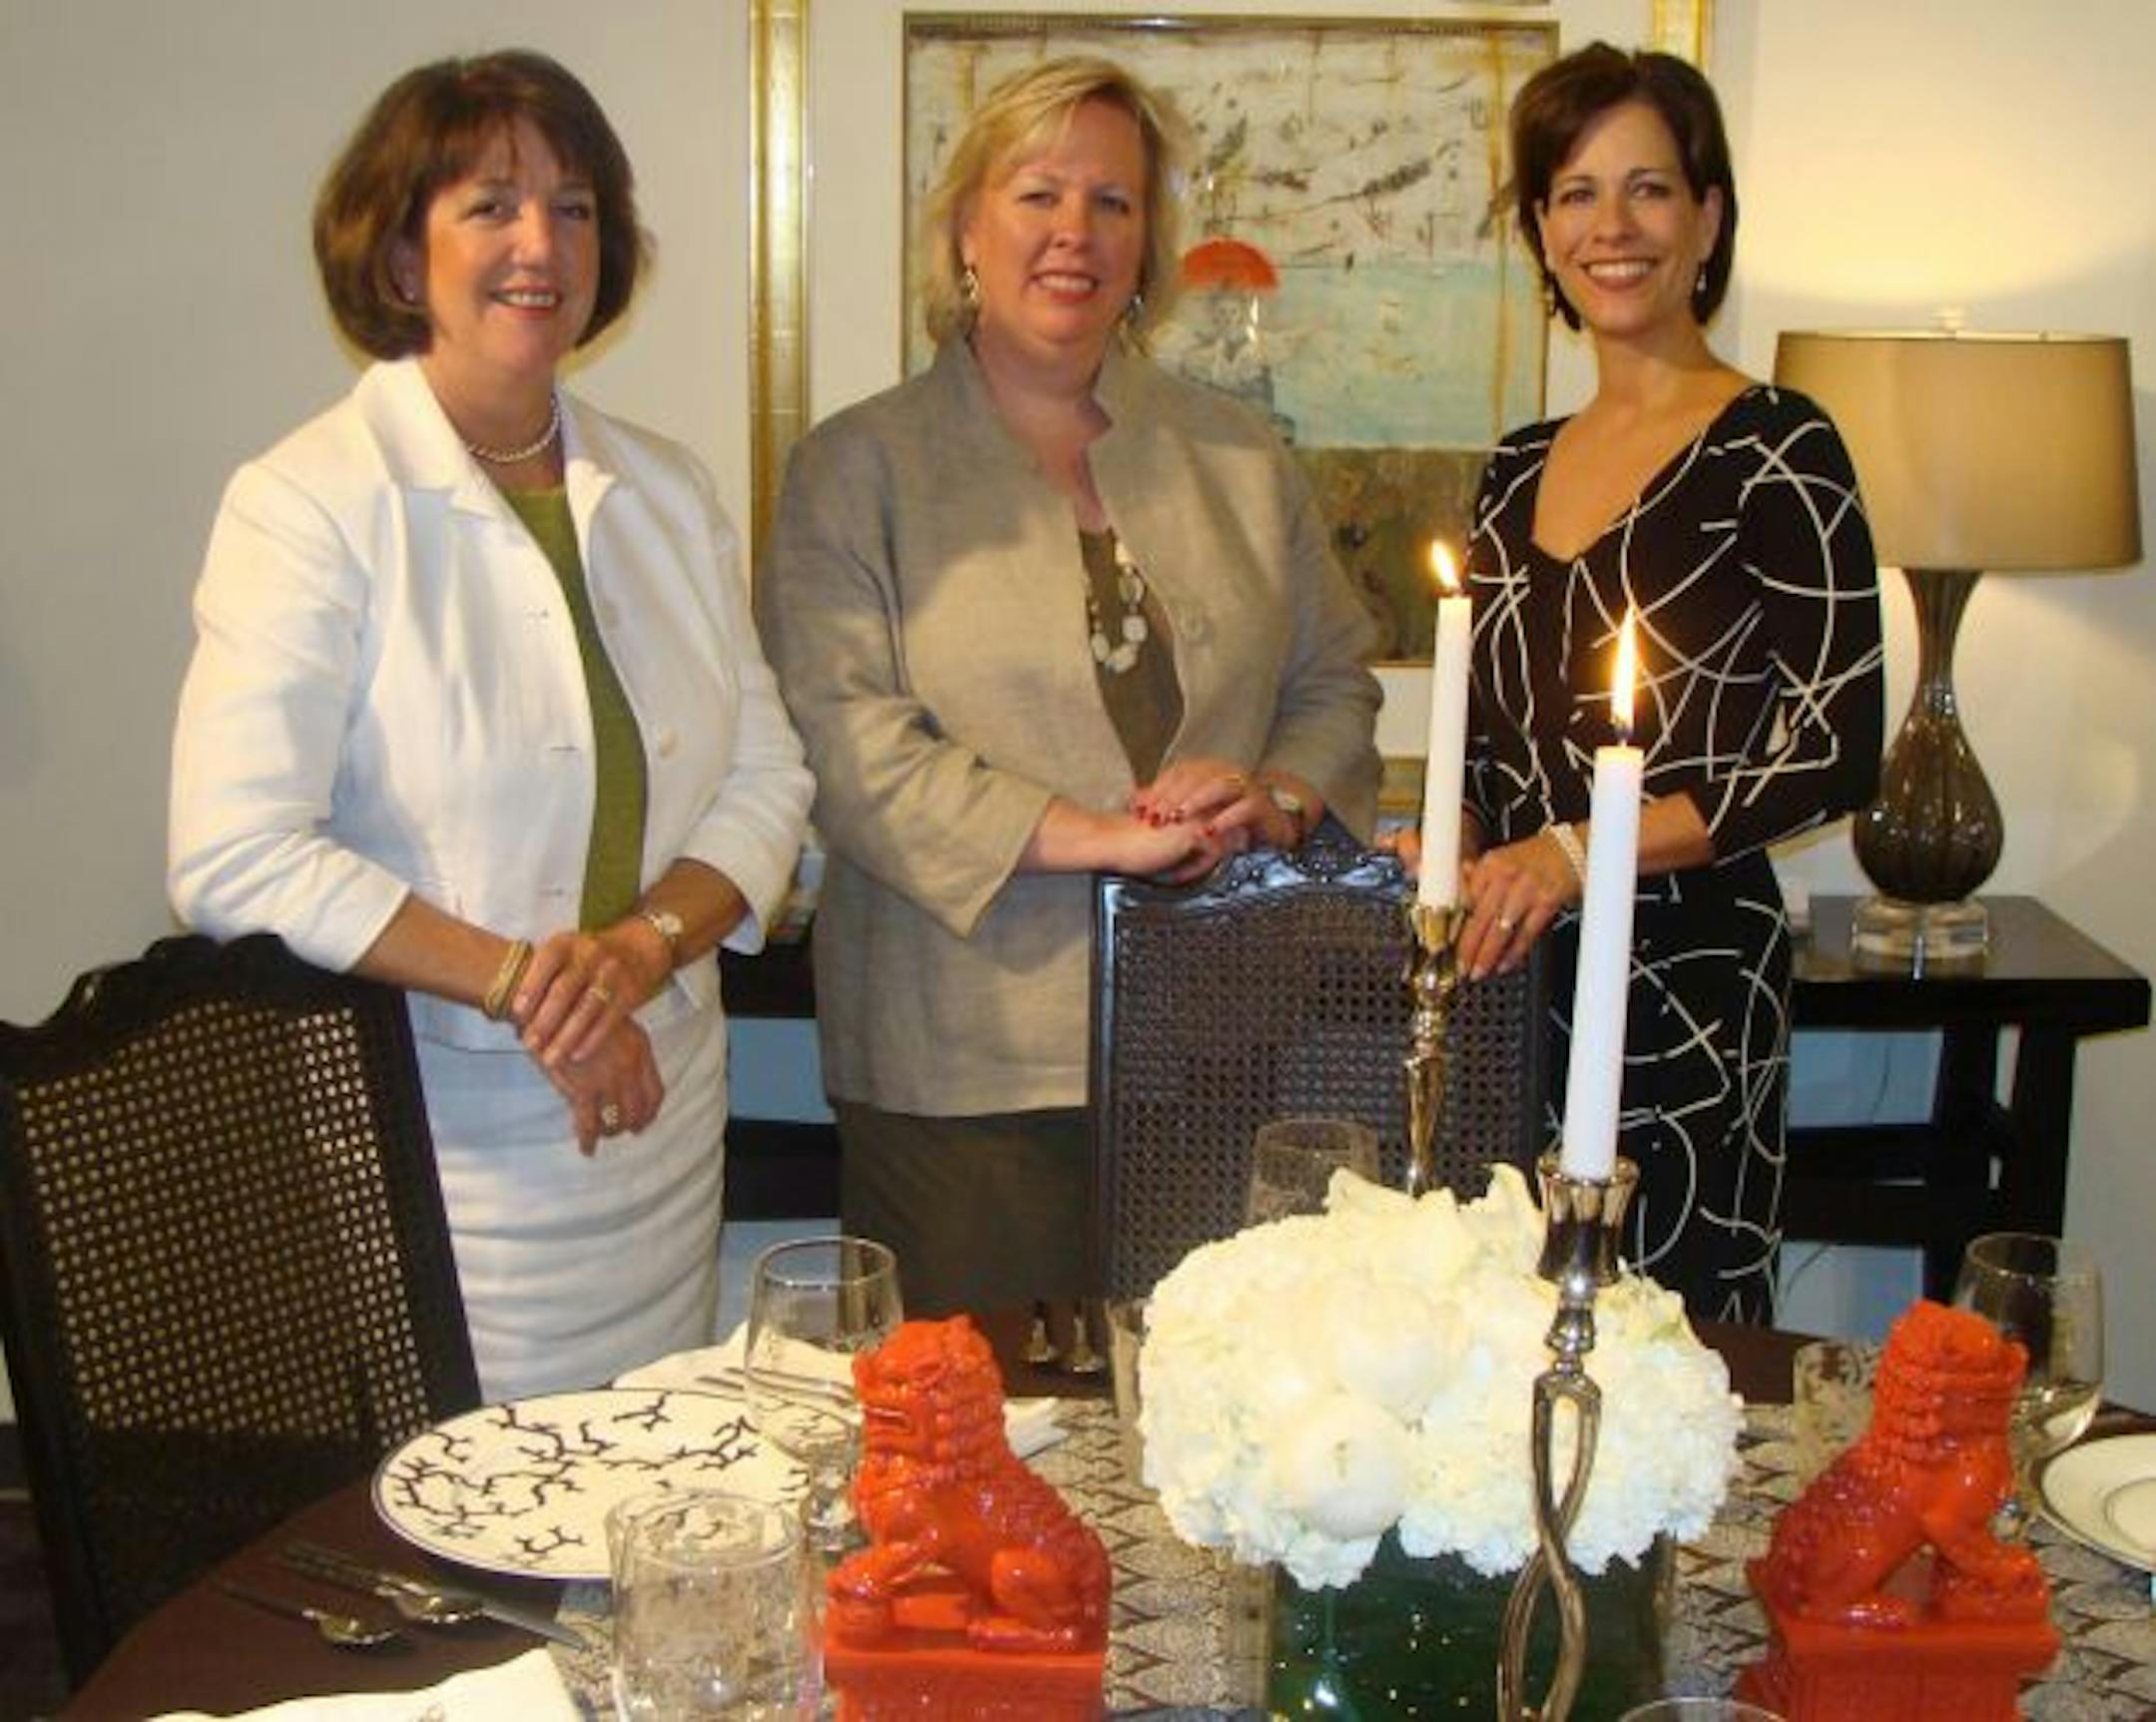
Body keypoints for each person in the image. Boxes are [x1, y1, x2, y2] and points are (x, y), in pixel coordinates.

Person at [168, 51, 813, 1400]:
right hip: (447, 1138)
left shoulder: (667, 486)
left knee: (657, 1478)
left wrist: (639, 952)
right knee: (469, 1521)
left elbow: (766, 774)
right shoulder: (308, 501)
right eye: (491, 206)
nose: (542, 245)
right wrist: (528, 987)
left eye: (573, 208)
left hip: (659, 1096)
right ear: (402, 255)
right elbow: (236, 855)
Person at [756, 58, 1382, 1314]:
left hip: (1216, 1047)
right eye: (1039, 192)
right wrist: (1096, 839)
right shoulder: (856, 469)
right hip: (964, 1064)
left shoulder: (1239, 460)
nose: (1075, 234)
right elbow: (848, 747)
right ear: (966, 228)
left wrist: (1270, 801)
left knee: (1206, 1448)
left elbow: (1335, 687)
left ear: (1150, 243)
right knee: (982, 1450)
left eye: (1114, 202)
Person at [1444, 43, 1884, 1321]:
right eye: (1575, 192)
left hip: (1687, 980)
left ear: (1709, 217)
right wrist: (1455, 840)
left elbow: (1830, 748)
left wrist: (1582, 853)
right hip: (1508, 978)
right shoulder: (1513, 470)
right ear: (1540, 229)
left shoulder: (1781, 447)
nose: (1611, 226)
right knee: (1496, 1345)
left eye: (1648, 189)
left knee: (1666, 1363)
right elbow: (1481, 743)